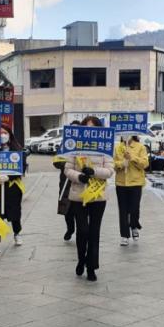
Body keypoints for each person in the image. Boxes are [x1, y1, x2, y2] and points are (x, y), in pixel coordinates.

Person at [64, 116, 114, 281]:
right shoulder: (75, 147)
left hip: (98, 196)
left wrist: (94, 172)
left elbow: (109, 171)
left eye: (93, 129)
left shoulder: (105, 148)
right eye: (86, 128)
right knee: (82, 230)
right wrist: (79, 177)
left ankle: (91, 266)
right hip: (78, 196)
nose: (90, 132)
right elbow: (67, 170)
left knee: (94, 232)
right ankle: (81, 259)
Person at [0, 125, 26, 254]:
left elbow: (22, 168)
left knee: (14, 213)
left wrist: (9, 177)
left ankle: (17, 233)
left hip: (13, 187)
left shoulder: (18, 150)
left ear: (10, 135)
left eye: (5, 133)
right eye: (0, 133)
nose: (2, 135)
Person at [113, 136, 149, 246]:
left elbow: (145, 164)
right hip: (121, 183)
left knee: (134, 208)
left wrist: (132, 157)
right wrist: (121, 164)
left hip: (136, 182)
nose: (126, 136)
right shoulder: (118, 147)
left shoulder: (140, 147)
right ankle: (124, 235)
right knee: (123, 210)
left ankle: (134, 226)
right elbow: (113, 164)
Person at [53, 120, 80, 242]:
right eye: (72, 129)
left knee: (79, 208)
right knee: (66, 208)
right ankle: (70, 228)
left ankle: (81, 231)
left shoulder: (87, 144)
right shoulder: (65, 144)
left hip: (80, 180)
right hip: (66, 181)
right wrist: (68, 165)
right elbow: (56, 161)